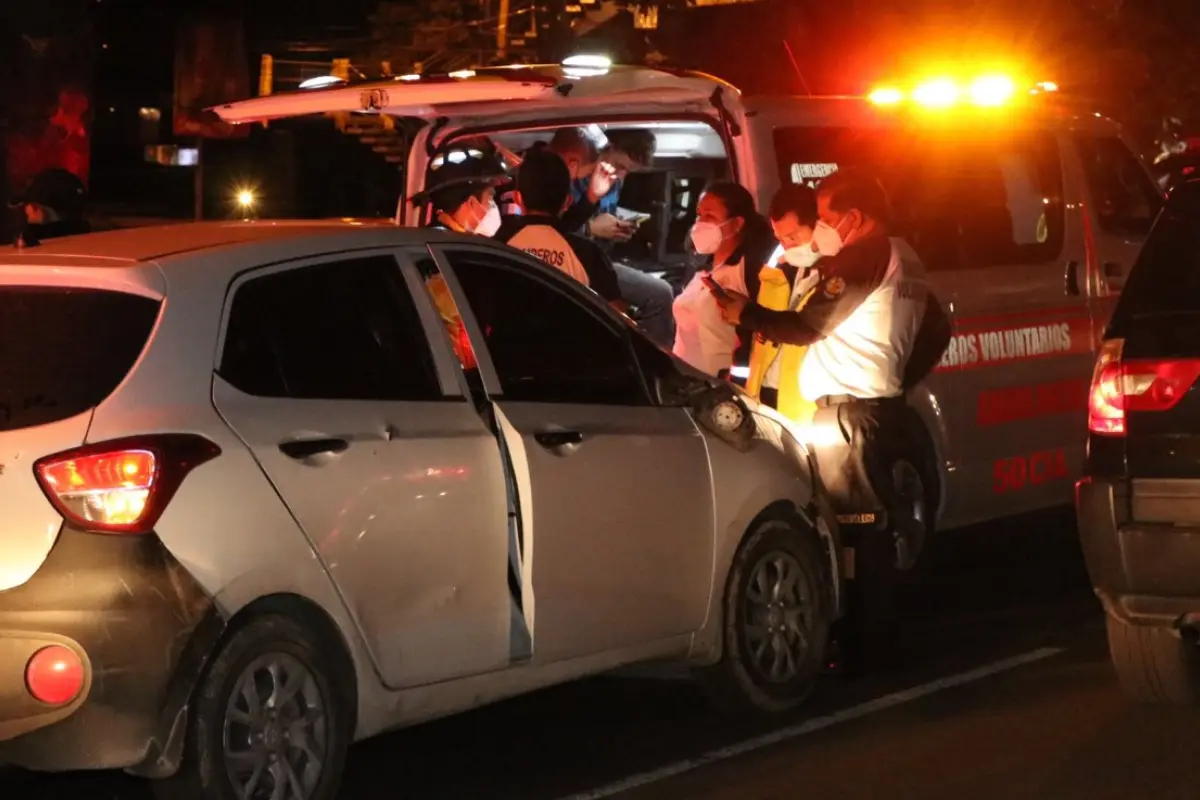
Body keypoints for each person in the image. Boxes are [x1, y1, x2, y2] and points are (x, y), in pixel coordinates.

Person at [705, 168, 952, 669]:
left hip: (850, 417)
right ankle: (875, 639)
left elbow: (809, 325)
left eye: (826, 217)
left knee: (857, 531)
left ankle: (865, 648)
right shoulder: (907, 255)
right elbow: (939, 328)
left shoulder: (865, 254)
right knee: (875, 528)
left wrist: (744, 315)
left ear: (855, 217)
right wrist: (899, 376)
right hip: (873, 408)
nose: (822, 228)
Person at [502, 127, 675, 346]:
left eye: (627, 171)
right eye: (620, 166)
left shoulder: (502, 242)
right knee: (658, 294)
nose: (620, 175)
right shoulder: (565, 178)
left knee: (659, 293)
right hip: (581, 259)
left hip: (595, 258)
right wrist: (590, 227)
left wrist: (614, 229)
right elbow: (550, 229)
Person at [493, 148, 625, 311]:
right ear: (567, 202)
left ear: (518, 199)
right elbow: (618, 316)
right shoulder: (588, 254)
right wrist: (590, 198)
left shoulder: (496, 248)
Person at [671, 180, 775, 377]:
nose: (700, 224)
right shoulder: (702, 269)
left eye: (710, 216)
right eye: (699, 215)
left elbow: (757, 334)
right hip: (684, 383)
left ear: (737, 224)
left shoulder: (748, 271)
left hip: (718, 388)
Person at [746, 183, 822, 417]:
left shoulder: (841, 274)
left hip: (808, 402)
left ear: (820, 225)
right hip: (766, 392)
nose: (787, 245)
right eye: (781, 238)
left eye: (793, 236)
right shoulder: (781, 268)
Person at [418, 142, 507, 236]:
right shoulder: (449, 245)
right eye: (490, 198)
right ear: (471, 203)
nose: (493, 206)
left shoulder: (440, 241)